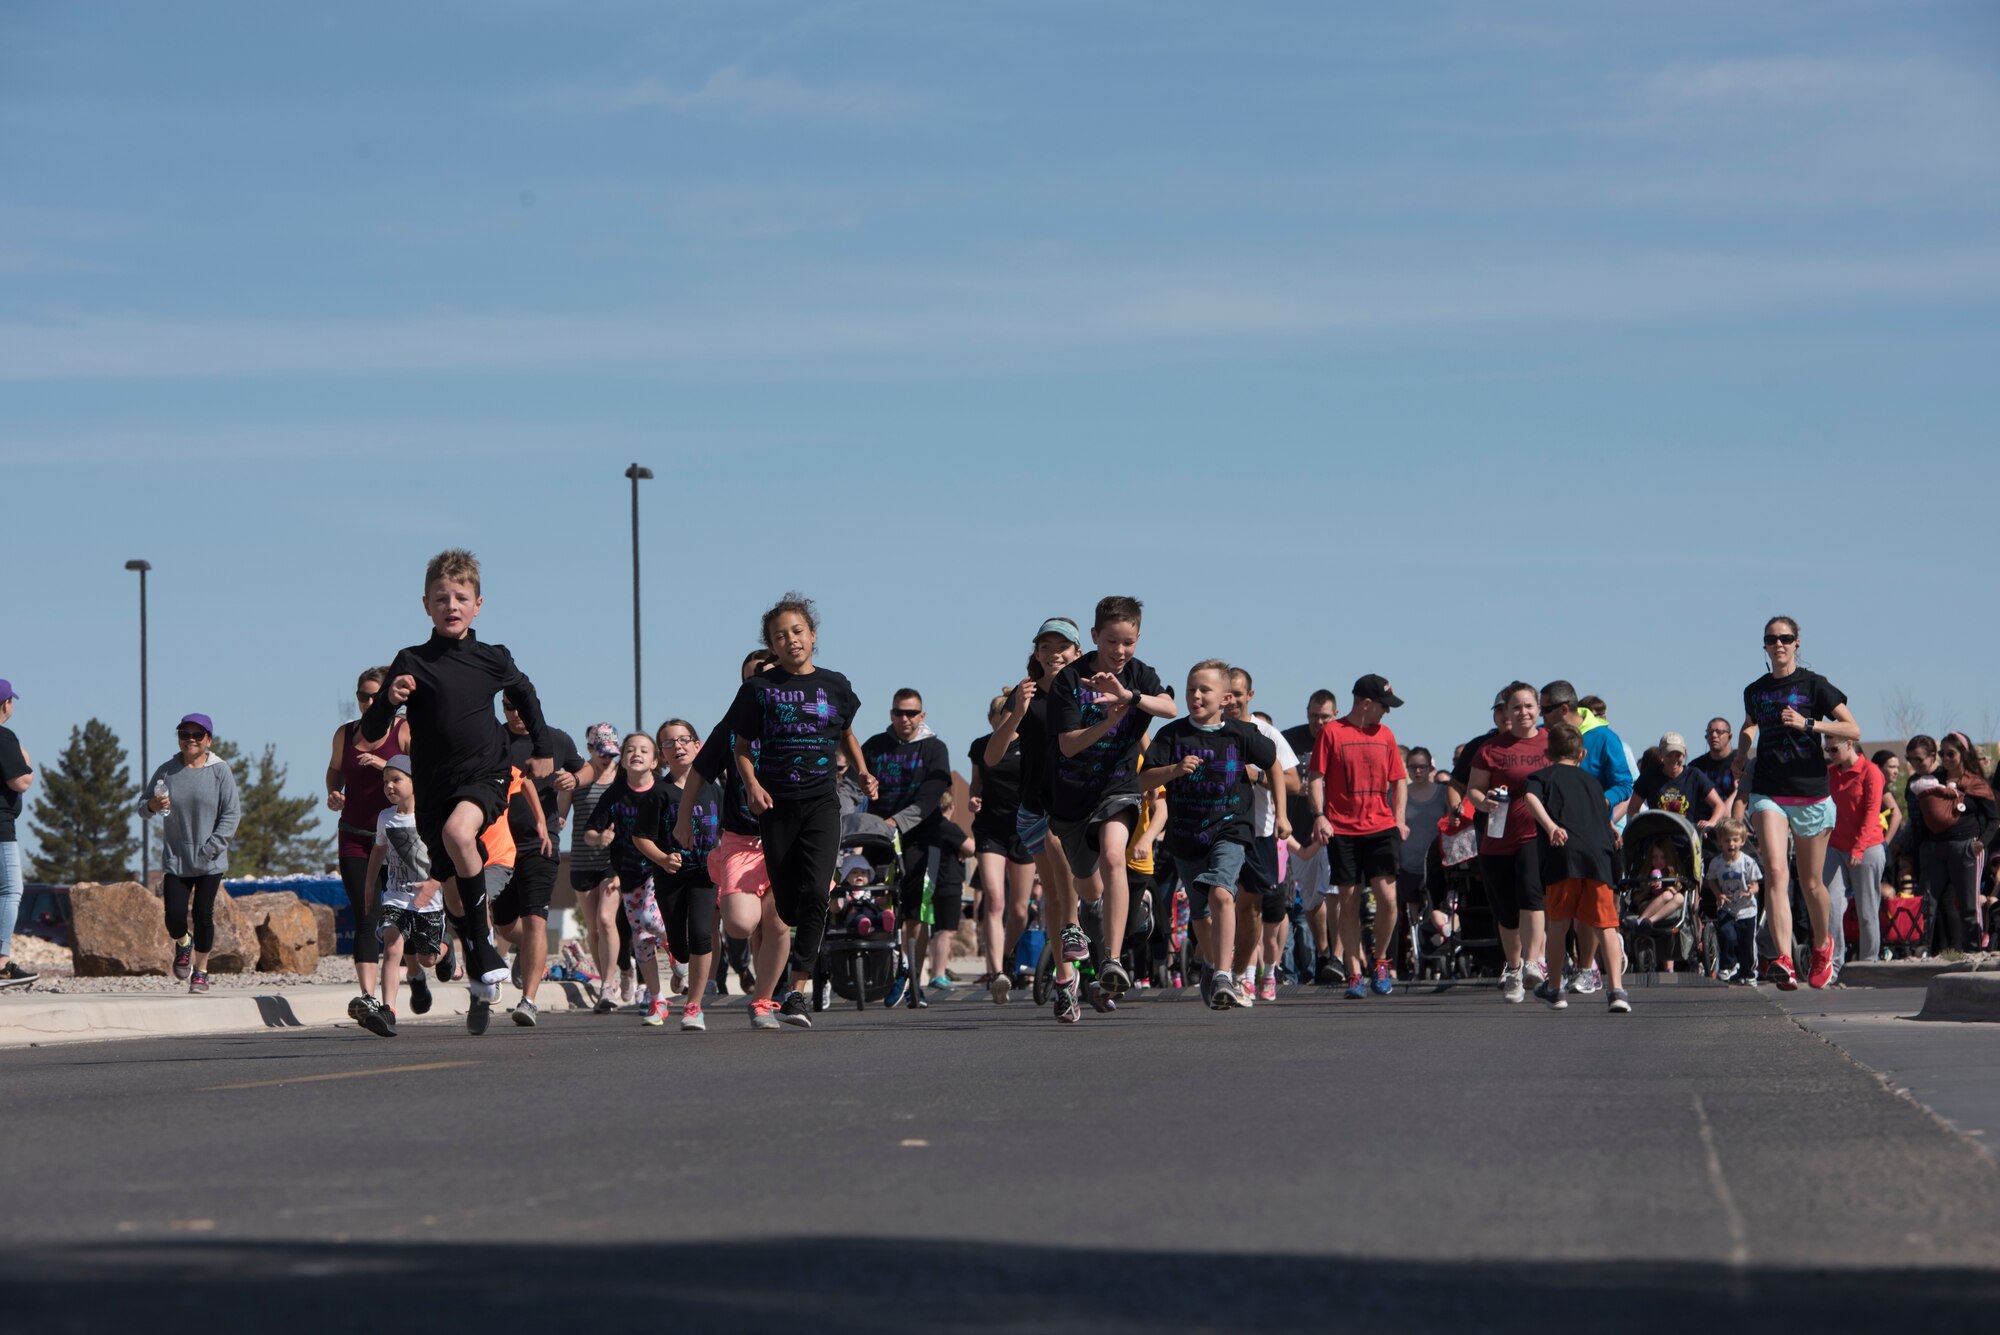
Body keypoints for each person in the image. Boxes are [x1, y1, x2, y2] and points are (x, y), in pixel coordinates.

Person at [358, 548, 555, 1029]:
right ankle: (476, 970)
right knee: (452, 894)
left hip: (486, 773)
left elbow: (525, 692)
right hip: (434, 784)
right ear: (426, 604)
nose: (452, 605)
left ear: (478, 605)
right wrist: (389, 699)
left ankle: (483, 946)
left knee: (460, 832)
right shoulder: (411, 661)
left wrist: (542, 744)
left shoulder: (493, 658)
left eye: (461, 597)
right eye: (441, 598)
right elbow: (370, 732)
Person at [722, 594, 872, 1030]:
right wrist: (751, 784)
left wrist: (862, 772)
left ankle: (797, 991)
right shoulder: (758, 691)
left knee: (817, 893)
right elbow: (742, 747)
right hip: (776, 805)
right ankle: (782, 976)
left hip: (822, 803)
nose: (791, 640)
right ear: (772, 645)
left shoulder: (836, 684)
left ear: (813, 635)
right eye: (780, 636)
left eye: (797, 632)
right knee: (787, 904)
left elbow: (847, 733)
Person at [1047, 595, 1178, 1011]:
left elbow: (1170, 707)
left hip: (1118, 786)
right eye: (1111, 642)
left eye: (1129, 642)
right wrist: (1109, 720)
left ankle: (1113, 960)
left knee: (1113, 855)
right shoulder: (1069, 681)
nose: (1120, 651)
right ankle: (1113, 912)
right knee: (1088, 889)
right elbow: (1067, 747)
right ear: (1094, 638)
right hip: (1070, 795)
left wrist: (1130, 697)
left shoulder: (1140, 674)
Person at [1139, 661, 1281, 1010]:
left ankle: (1223, 973)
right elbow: (1140, 781)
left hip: (1231, 828)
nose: (1196, 695)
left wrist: (1284, 815)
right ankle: (1210, 963)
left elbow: (1273, 762)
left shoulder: (1240, 733)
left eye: (1205, 690)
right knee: (1200, 914)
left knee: (1222, 891)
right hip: (1186, 836)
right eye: (1191, 689)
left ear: (1226, 697)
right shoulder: (1171, 736)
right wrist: (1173, 770)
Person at [1732, 615, 1861, 989]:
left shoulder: (1814, 685)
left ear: (1797, 643)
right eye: (1772, 639)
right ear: (1765, 646)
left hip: (1810, 791)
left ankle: (1822, 945)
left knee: (1812, 884)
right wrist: (1742, 752)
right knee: (1775, 870)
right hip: (1769, 789)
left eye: (1785, 638)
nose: (1779, 645)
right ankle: (1784, 958)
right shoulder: (1755, 690)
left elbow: (1853, 729)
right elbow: (1750, 724)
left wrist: (1809, 725)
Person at [677, 648, 786, 1027]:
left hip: (786, 837)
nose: (759, 679)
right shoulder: (730, 728)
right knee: (741, 924)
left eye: (766, 672)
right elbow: (698, 773)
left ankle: (764, 1000)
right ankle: (757, 976)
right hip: (742, 838)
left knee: (778, 922)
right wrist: (682, 820)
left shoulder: (797, 723)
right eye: (751, 676)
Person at [985, 617, 1085, 1022]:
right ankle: (1066, 981)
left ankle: (1093, 956)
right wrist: (1017, 712)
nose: (1054, 653)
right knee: (1058, 894)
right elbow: (992, 758)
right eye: (1046, 646)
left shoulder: (1088, 692)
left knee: (1086, 891)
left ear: (1078, 652)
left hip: (1082, 805)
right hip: (1037, 808)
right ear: (1036, 653)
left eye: (1063, 646)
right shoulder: (1024, 695)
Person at [1309, 675, 1410, 1000]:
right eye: (1384, 706)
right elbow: (1315, 778)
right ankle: (1354, 972)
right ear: (1366, 703)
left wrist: (1399, 820)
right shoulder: (1331, 733)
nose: (1386, 713)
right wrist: (1320, 816)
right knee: (1348, 902)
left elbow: (1400, 781)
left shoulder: (1386, 735)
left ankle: (1380, 961)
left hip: (1381, 827)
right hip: (1343, 828)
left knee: (1388, 898)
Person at [1518, 722, 1629, 1012]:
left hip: (1564, 856)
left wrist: (1551, 826)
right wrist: (1611, 829)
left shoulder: (1541, 777)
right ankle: (1616, 990)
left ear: (1547, 752)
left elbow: (1530, 797)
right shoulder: (1592, 782)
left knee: (1559, 923)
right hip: (1598, 859)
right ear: (1582, 754)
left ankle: (1555, 988)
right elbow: (1602, 811)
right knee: (1605, 925)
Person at [494, 701, 584, 1023]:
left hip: (540, 843)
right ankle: (530, 950)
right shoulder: (494, 738)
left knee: (535, 920)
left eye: (518, 707)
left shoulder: (554, 740)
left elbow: (583, 768)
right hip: (499, 845)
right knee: (505, 925)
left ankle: (528, 1001)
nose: (514, 713)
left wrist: (574, 781)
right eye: (507, 706)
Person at [140, 713, 241, 995]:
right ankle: (183, 942)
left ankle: (202, 971)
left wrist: (213, 847)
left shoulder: (221, 771)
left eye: (198, 735)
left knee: (203, 914)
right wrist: (152, 805)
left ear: (209, 740)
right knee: (173, 916)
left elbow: (232, 814)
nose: (191, 740)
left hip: (210, 859)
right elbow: (141, 807)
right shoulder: (166, 771)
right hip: (176, 858)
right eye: (185, 734)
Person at [328, 668, 408, 1022]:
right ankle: (368, 998)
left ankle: (421, 971)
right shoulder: (346, 734)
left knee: (403, 919)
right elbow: (334, 769)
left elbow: (425, 777)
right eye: (363, 695)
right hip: (355, 836)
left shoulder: (404, 730)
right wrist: (333, 791)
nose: (369, 702)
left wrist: (386, 766)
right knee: (366, 913)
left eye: (376, 696)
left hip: (400, 838)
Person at [1466, 683, 1549, 1003]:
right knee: (1506, 913)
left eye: (1529, 706)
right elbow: (1474, 789)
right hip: (1497, 838)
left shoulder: (1549, 744)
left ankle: (1532, 961)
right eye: (1516, 707)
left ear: (1538, 709)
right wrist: (1483, 802)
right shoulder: (1491, 749)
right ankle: (1513, 968)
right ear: (1505, 713)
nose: (1523, 712)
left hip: (1534, 834)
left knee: (1532, 895)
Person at [637, 719, 721, 1031]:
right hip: (670, 876)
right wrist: (661, 857)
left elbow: (725, 830)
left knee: (701, 933)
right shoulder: (658, 793)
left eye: (685, 739)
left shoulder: (714, 789)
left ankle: (693, 1007)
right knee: (679, 942)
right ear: (662, 755)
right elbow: (640, 836)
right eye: (670, 743)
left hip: (704, 874)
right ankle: (680, 965)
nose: (678, 746)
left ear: (698, 746)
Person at [585, 734, 672, 1026]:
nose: (636, 753)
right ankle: (656, 998)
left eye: (644, 750)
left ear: (655, 760)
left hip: (658, 868)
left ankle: (674, 942)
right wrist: (601, 836)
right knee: (640, 939)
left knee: (649, 919)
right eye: (630, 750)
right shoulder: (615, 793)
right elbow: (590, 832)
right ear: (623, 759)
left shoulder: (663, 790)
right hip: (628, 872)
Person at [1222, 668, 1298, 1003]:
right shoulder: (1209, 729)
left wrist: (1258, 776)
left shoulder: (1266, 733)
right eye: (1228, 693)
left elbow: (1294, 783)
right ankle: (1228, 972)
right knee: (1222, 903)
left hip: (1260, 833)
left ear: (1250, 695)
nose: (1233, 700)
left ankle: (1249, 975)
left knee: (1253, 908)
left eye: (1239, 694)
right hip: (1219, 830)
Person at [355, 755, 446, 1036]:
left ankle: (447, 948)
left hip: (429, 900)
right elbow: (379, 851)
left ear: (414, 781)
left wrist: (434, 883)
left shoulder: (431, 816)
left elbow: (447, 857)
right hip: (396, 896)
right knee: (393, 947)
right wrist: (370, 884)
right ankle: (388, 1011)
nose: (389, 786)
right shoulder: (386, 817)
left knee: (428, 959)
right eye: (385, 782)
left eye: (397, 780)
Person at [969, 692, 1037, 1001]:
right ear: (992, 718)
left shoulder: (1031, 744)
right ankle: (997, 973)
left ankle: (1008, 956)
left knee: (1020, 911)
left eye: (1008, 713)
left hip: (1024, 828)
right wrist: (973, 797)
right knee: (995, 901)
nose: (1004, 718)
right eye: (999, 713)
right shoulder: (982, 746)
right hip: (990, 829)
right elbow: (976, 783)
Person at [1913, 733, 1997, 954]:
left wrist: (1980, 844)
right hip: (1936, 849)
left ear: (1963, 754)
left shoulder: (1976, 783)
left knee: (1969, 905)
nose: (1946, 758)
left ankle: (1974, 952)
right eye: (1942, 753)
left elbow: (1994, 819)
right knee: (1927, 902)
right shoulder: (1934, 780)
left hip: (1966, 847)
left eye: (1951, 753)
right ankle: (1923, 951)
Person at [567, 723, 629, 1012]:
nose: (608, 759)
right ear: (590, 749)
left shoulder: (622, 778)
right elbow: (560, 816)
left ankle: (607, 984)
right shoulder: (577, 780)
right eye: (602, 752)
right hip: (582, 860)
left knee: (607, 920)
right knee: (592, 929)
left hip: (612, 862)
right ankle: (614, 976)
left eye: (612, 753)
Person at [1282, 690, 1338, 983]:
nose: (1318, 722)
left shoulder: (1340, 738)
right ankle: (1323, 952)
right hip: (1298, 830)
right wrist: (1295, 788)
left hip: (1334, 829)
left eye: (1325, 716)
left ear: (1335, 715)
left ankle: (1336, 959)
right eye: (1314, 716)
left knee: (1335, 893)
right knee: (1311, 902)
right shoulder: (1289, 739)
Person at [1824, 736, 1887, 974]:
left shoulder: (1871, 771)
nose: (1830, 753)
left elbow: (1872, 812)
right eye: (1827, 749)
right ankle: (1834, 965)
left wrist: (1859, 848)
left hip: (1868, 847)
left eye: (1834, 748)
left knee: (1867, 908)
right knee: (1830, 905)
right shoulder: (1831, 773)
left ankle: (1868, 963)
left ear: (1849, 743)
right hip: (1835, 846)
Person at [0, 680, 38, 989]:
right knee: (10, 891)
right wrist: (25, 756)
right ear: (5, 704)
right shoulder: (3, 737)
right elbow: (21, 781)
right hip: (1, 827)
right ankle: (1, 963)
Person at [1397, 746, 1450, 956]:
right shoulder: (1398, 794)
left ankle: (1444, 935)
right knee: (1413, 915)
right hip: (1407, 863)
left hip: (1436, 862)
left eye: (1422, 767)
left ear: (1430, 768)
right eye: (1413, 767)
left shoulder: (1443, 793)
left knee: (1439, 905)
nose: (1417, 771)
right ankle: (1418, 951)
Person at [1628, 733, 1727, 833]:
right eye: (1669, 755)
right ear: (1661, 754)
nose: (1674, 760)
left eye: (1678, 755)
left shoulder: (1694, 775)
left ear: (1684, 754)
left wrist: (1711, 822)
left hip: (1686, 837)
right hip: (1657, 838)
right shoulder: (1649, 776)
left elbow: (1719, 805)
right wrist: (1644, 827)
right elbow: (1633, 808)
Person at [1704, 818, 1763, 983]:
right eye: (1727, 840)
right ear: (1720, 842)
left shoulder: (1748, 862)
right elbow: (1711, 880)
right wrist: (1718, 894)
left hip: (1746, 909)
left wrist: (1751, 890)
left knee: (1746, 943)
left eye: (1735, 840)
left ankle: (1749, 972)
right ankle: (1729, 965)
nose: (1731, 844)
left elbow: (1756, 884)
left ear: (1742, 841)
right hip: (1727, 907)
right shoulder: (1717, 863)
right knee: (1727, 934)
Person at [1689, 718, 1743, 817]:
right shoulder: (1695, 767)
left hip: (1734, 820)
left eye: (1719, 732)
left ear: (1729, 737)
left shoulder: (1741, 763)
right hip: (1702, 823)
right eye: (1710, 732)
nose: (1714, 735)